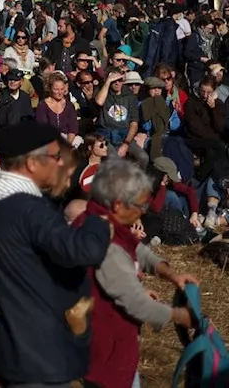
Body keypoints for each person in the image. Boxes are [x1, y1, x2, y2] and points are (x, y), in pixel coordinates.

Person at [0, 121, 112, 387]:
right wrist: (97, 219)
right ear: (33, 164)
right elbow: (82, 251)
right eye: (55, 157)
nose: (60, 164)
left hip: (7, 341)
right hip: (39, 349)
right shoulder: (29, 209)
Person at [79, 158, 199, 388]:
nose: (143, 212)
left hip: (112, 343)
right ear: (118, 204)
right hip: (107, 353)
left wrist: (170, 274)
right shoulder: (104, 244)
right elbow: (136, 304)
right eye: (140, 206)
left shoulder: (102, 219)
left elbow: (136, 249)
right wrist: (183, 317)